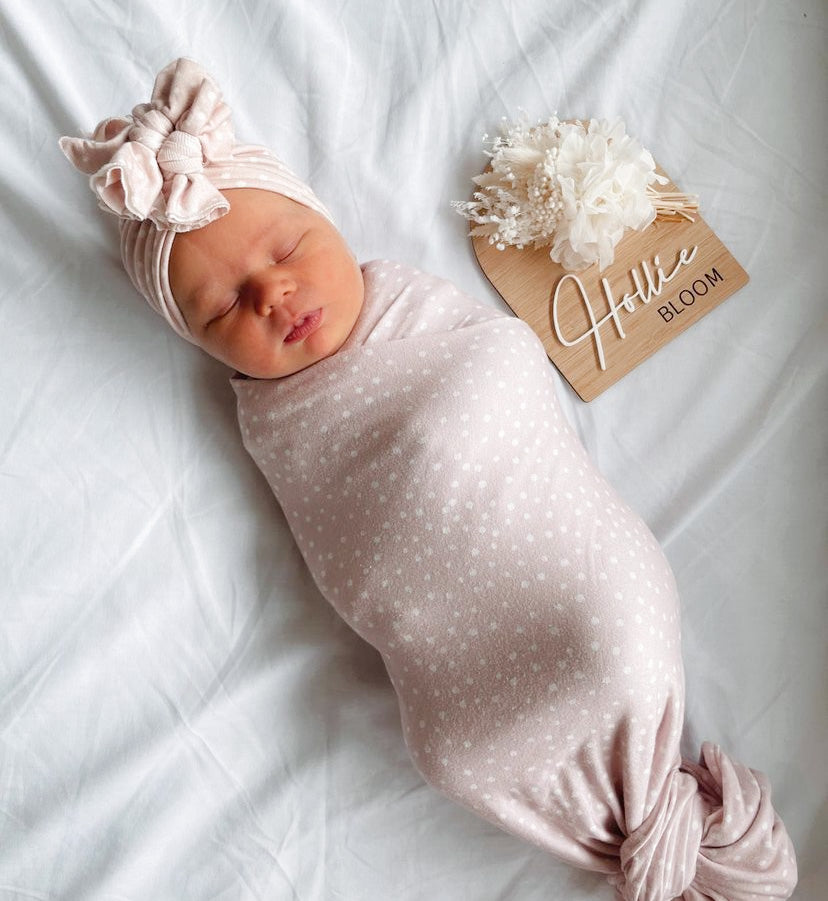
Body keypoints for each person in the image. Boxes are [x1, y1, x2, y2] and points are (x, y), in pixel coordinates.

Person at [60, 57, 798, 901]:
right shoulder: (275, 422)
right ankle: (637, 835)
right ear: (198, 344)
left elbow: (498, 372)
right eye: (224, 308)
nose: (273, 292)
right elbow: (345, 555)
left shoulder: (419, 315)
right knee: (453, 757)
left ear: (326, 222)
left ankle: (655, 812)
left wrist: (435, 445)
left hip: (571, 589)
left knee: (609, 648)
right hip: (455, 671)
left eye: (288, 247)